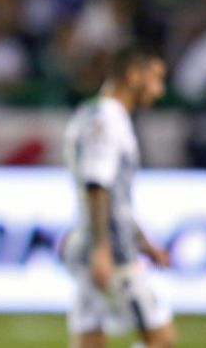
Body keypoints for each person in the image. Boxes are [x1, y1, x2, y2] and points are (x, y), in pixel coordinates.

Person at [61, 47, 177, 348]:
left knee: (91, 338)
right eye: (155, 79)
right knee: (161, 339)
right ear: (133, 75)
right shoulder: (107, 120)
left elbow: (113, 193)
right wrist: (103, 248)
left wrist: (144, 241)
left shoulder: (93, 114)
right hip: (111, 248)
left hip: (94, 240)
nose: (159, 90)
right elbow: (97, 184)